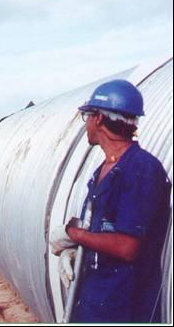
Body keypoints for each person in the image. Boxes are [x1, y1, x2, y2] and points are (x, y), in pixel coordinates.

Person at [50, 79, 171, 323]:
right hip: (96, 299)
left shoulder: (141, 169)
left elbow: (127, 247)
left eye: (88, 117)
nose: (86, 126)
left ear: (99, 120)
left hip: (124, 308)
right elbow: (105, 230)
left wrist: (73, 235)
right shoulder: (106, 169)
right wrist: (79, 250)